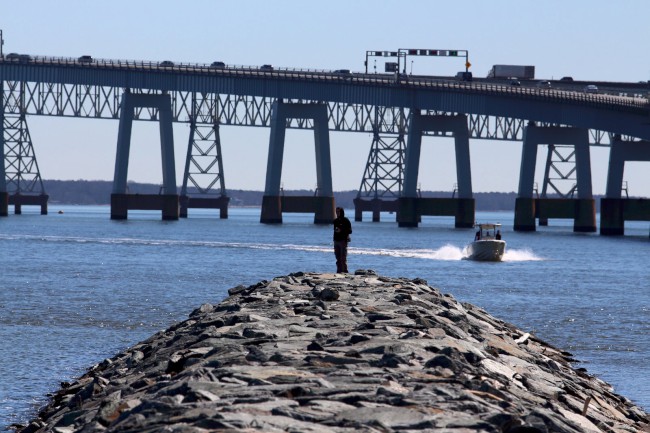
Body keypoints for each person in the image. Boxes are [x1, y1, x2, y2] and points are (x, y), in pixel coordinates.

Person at [333, 207, 352, 273]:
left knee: (343, 257)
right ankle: (339, 271)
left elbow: (350, 231)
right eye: (336, 211)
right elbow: (335, 230)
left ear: (342, 212)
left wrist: (341, 230)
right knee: (337, 257)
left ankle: (345, 271)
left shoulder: (346, 220)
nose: (337, 213)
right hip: (336, 240)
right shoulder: (335, 221)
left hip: (343, 241)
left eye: (338, 212)